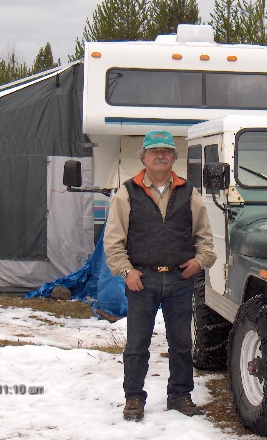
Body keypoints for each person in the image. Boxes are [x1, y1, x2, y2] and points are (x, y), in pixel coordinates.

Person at [104, 130, 217, 422]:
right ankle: (133, 398)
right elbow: (114, 240)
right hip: (143, 280)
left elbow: (205, 236)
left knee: (181, 343)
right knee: (137, 344)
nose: (160, 155)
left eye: (166, 151)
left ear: (173, 158)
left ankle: (180, 395)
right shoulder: (127, 193)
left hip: (181, 279)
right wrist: (126, 271)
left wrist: (200, 261)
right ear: (143, 157)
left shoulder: (189, 192)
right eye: (154, 151)